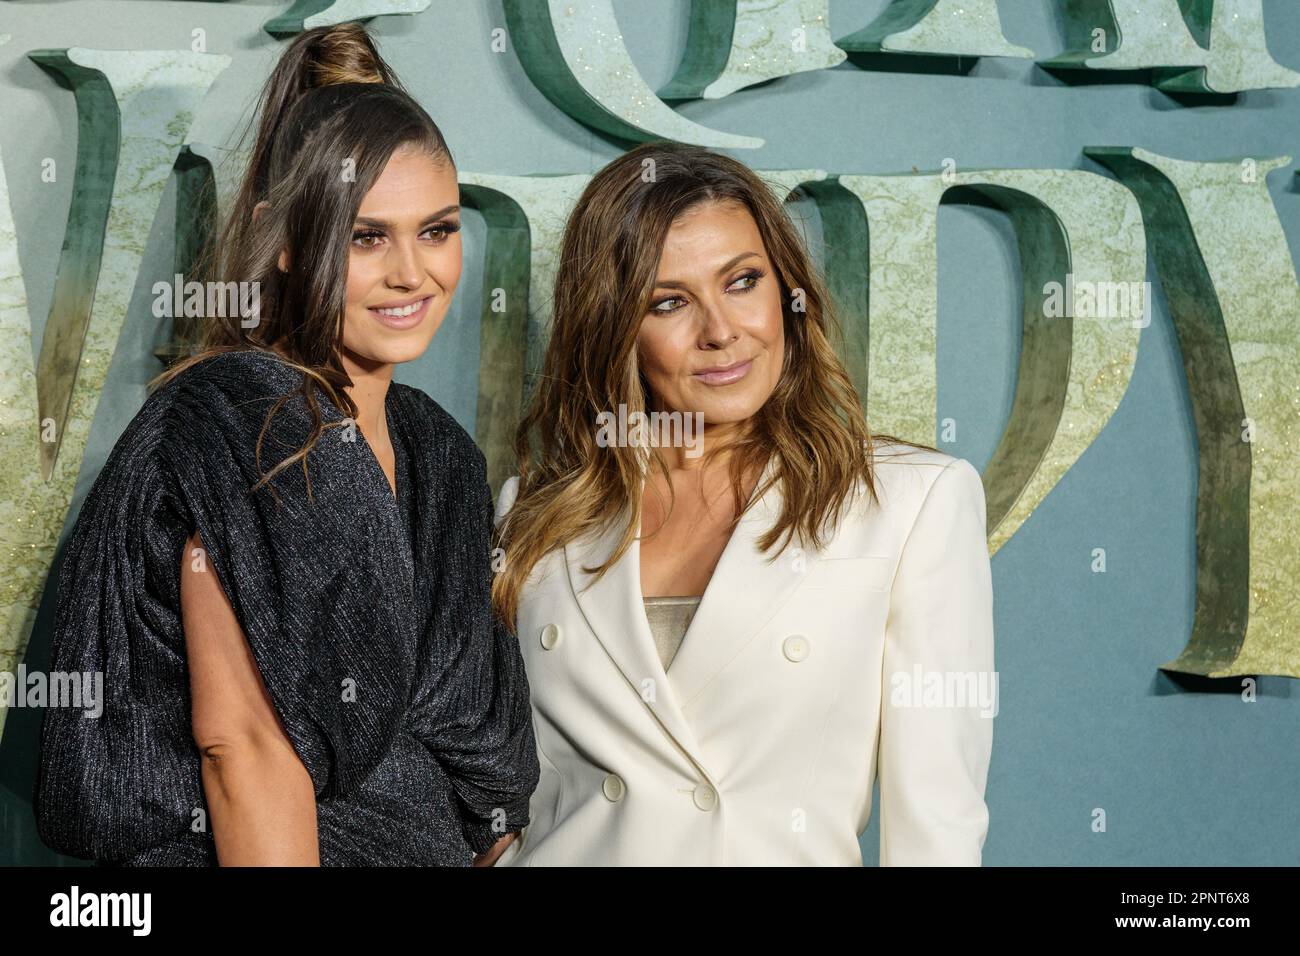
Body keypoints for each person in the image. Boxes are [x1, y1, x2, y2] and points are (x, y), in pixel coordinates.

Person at [34, 22, 538, 866]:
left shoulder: (437, 452)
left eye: (438, 230)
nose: (413, 273)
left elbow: (477, 762)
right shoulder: (244, 424)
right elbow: (247, 755)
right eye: (366, 237)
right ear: (289, 241)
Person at [490, 142, 995, 866]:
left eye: (743, 281)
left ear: (786, 290)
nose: (721, 330)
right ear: (613, 327)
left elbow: (936, 832)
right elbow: (511, 800)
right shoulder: (538, 512)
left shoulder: (912, 502)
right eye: (669, 302)